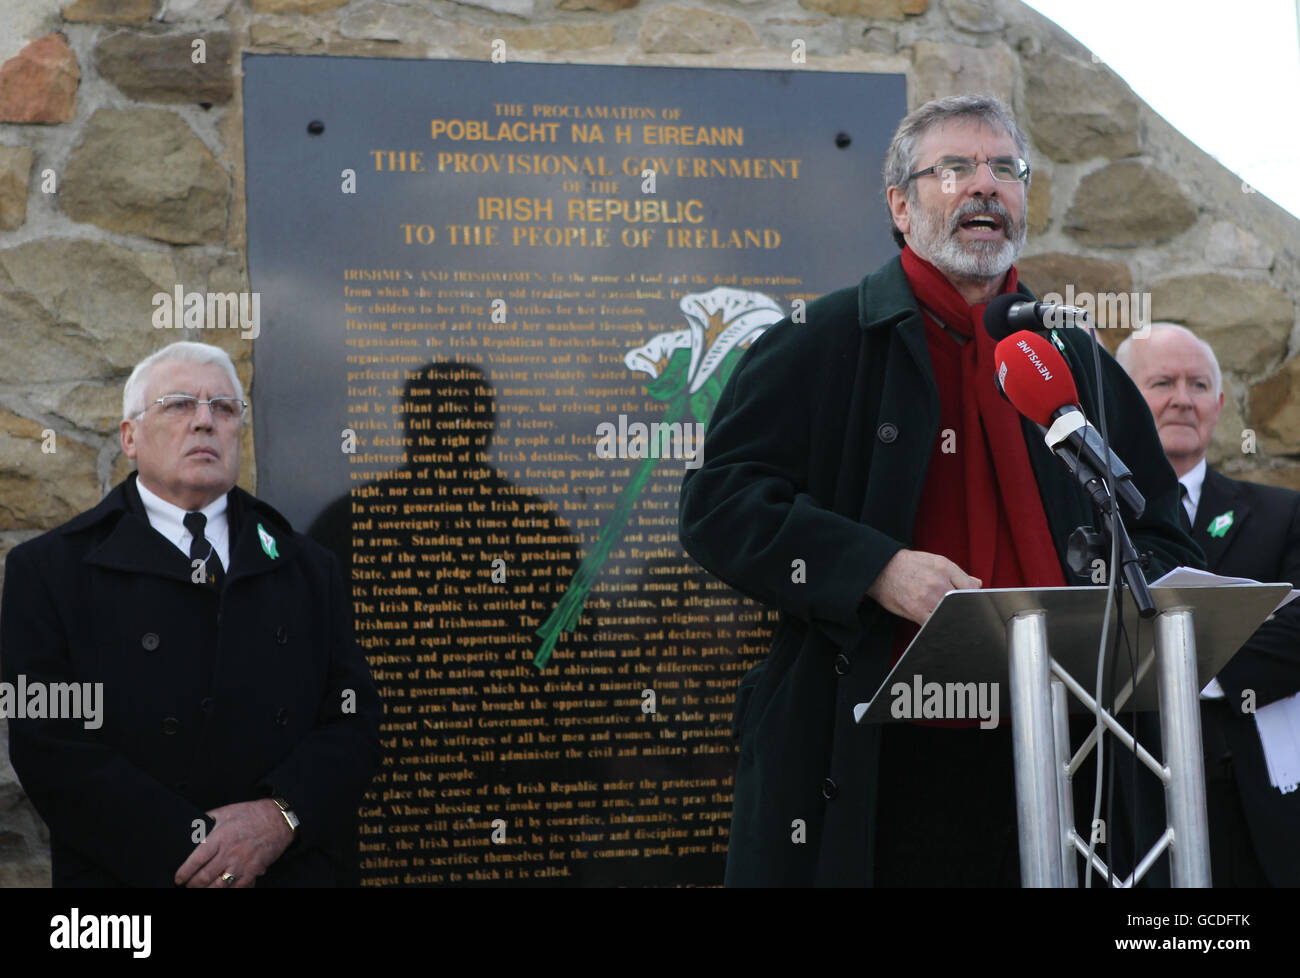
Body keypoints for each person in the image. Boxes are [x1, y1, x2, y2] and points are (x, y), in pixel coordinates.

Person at [677, 94, 1201, 887]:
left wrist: (1115, 596)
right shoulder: (820, 341)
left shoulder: (1079, 360)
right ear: (900, 203)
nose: (983, 186)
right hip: (881, 756)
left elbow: (1160, 534)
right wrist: (877, 568)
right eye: (954, 168)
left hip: (1070, 747)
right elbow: (720, 506)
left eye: (1004, 169)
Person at [1, 341, 382, 887]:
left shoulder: (308, 565)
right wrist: (199, 852)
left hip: (290, 870)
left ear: (238, 436)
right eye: (180, 404)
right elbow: (49, 746)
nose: (205, 421)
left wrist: (278, 818)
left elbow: (354, 722)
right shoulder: (50, 569)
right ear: (130, 437)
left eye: (224, 409)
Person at [1117, 322, 1300, 887]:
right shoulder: (1093, 521)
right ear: (1122, 400)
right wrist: (1240, 629)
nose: (1181, 399)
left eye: (1198, 385)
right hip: (1127, 794)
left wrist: (1181, 667)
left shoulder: (1281, 515)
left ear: (1219, 405)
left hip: (1248, 799)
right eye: (1162, 383)